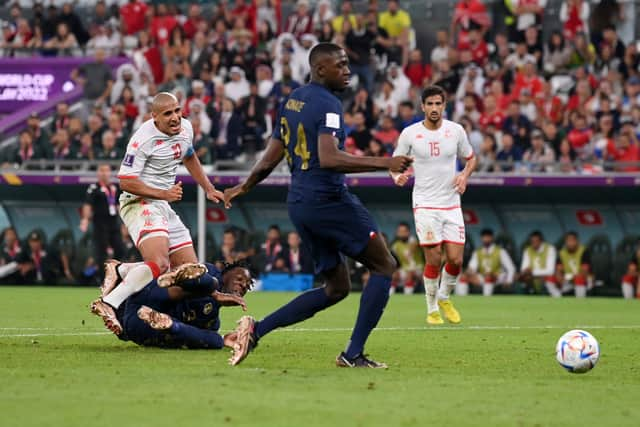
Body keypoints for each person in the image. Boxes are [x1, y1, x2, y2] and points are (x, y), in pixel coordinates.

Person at [223, 42, 412, 368]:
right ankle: (353, 353)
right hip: (328, 200)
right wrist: (386, 162)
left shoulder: (291, 100)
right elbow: (329, 158)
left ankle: (256, 329)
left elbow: (272, 155)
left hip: (300, 203)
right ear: (320, 69)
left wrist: (245, 186)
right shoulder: (329, 104)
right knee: (384, 265)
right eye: (340, 65)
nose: (347, 71)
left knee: (337, 287)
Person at [90, 92, 225, 336]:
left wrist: (208, 188)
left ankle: (123, 271)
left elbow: (190, 155)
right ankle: (109, 303)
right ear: (154, 117)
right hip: (139, 202)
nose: (175, 117)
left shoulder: (185, 128)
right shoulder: (142, 140)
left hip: (163, 204)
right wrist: (164, 194)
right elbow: (125, 181)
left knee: (189, 272)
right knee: (160, 263)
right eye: (167, 114)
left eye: (176, 110)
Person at [391, 85, 476, 325]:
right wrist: (396, 176)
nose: (434, 108)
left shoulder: (456, 131)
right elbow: (394, 163)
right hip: (425, 204)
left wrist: (464, 176)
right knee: (433, 259)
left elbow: (471, 158)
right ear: (423, 106)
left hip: (451, 203)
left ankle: (444, 297)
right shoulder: (409, 134)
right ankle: (431, 310)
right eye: (430, 104)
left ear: (444, 106)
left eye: (438, 103)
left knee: (456, 260)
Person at [116, 261, 252, 349]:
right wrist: (214, 293)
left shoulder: (211, 320)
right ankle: (178, 277)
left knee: (216, 340)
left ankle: (171, 325)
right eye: (239, 279)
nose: (243, 285)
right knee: (210, 282)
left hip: (142, 326)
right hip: (146, 299)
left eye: (247, 286)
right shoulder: (212, 273)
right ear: (226, 274)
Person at [79, 164, 126, 280]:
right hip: (100, 224)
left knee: (120, 249)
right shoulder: (94, 188)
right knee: (101, 253)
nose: (104, 173)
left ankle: (119, 276)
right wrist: (85, 220)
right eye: (101, 170)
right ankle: (103, 278)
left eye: (106, 170)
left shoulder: (114, 188)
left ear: (110, 173)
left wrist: (126, 221)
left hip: (113, 224)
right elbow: (88, 205)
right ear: (98, 173)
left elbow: (119, 205)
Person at [459, 228, 516, 296]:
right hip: (483, 276)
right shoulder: (478, 252)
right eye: (484, 237)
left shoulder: (500, 251)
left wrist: (509, 281)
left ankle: (487, 301)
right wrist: (470, 274)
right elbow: (472, 267)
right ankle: (462, 301)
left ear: (492, 238)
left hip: (498, 277)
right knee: (463, 278)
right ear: (481, 238)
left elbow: (511, 268)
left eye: (488, 237)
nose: (486, 239)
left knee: (489, 277)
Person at [545, 231, 592, 298]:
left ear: (577, 241)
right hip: (567, 280)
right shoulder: (562, 252)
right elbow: (558, 270)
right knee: (550, 279)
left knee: (579, 279)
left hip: (583, 280)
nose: (570, 243)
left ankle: (580, 301)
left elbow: (584, 271)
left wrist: (572, 278)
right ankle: (558, 298)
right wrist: (560, 279)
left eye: (572, 240)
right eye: (568, 241)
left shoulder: (584, 251)